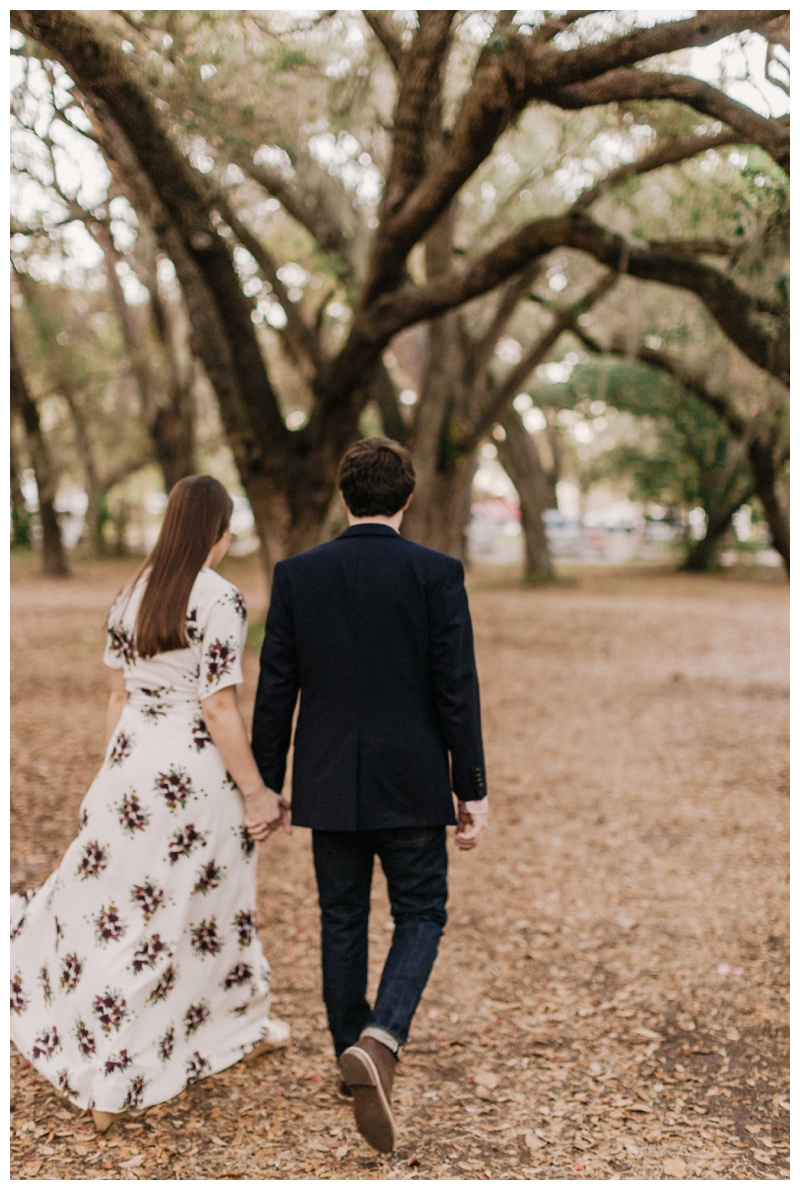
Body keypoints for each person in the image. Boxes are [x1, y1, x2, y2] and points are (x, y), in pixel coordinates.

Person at [10, 475, 290, 1132]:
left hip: (132, 766)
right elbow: (219, 708)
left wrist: (115, 773)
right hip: (193, 774)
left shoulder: (130, 593)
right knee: (193, 908)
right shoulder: (221, 598)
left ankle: (229, 1017)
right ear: (218, 533)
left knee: (122, 906)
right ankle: (120, 1070)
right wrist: (257, 793)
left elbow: (116, 697)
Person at [251, 437, 488, 1154]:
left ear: (344, 495)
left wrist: (268, 785)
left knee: (342, 917)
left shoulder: (298, 574)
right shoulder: (436, 573)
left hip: (328, 780)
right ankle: (380, 1044)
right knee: (422, 910)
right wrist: (470, 787)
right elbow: (456, 687)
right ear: (407, 498)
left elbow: (276, 689)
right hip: (412, 780)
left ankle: (350, 1056)